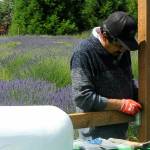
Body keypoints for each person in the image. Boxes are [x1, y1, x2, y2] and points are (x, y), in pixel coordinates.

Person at [70, 11, 142, 140]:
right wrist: (120, 105)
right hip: (93, 140)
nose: (123, 50)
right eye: (119, 45)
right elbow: (82, 97)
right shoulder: (83, 53)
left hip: (119, 135)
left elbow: (128, 83)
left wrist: (141, 97)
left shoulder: (121, 51)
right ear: (104, 35)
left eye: (125, 47)